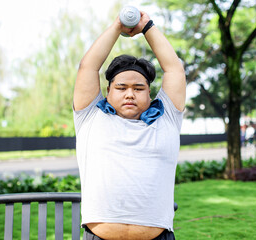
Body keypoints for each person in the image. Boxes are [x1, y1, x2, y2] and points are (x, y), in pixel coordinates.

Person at [73, 9, 186, 240]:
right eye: (121, 88)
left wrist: (148, 26)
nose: (129, 94)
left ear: (150, 93)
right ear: (108, 91)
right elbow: (88, 67)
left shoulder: (167, 118)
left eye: (138, 88)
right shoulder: (90, 117)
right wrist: (117, 26)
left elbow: (174, 69)